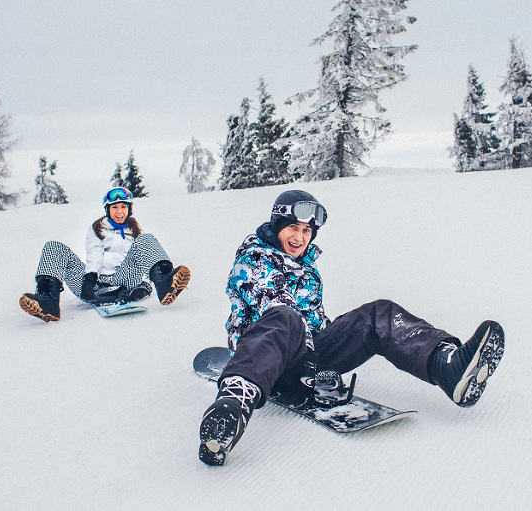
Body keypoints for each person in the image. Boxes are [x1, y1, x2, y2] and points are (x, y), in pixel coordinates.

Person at [198, 190, 505, 466]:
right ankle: (231, 409)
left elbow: (313, 318)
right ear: (277, 227)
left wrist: (336, 341)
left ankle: (447, 368)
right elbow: (274, 303)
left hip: (309, 357)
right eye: (293, 228)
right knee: (285, 317)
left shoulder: (305, 263)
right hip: (270, 360)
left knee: (377, 314)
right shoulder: (253, 259)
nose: (300, 237)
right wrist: (307, 360)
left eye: (307, 230)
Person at [20, 186, 190, 322]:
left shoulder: (135, 231)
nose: (119, 211)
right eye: (114, 207)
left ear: (129, 210)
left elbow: (142, 260)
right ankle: (48, 301)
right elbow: (95, 251)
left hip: (123, 279)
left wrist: (143, 286)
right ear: (107, 209)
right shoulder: (97, 228)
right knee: (54, 247)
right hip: (92, 284)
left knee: (147, 239)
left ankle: (165, 282)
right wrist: (89, 277)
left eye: (123, 207)